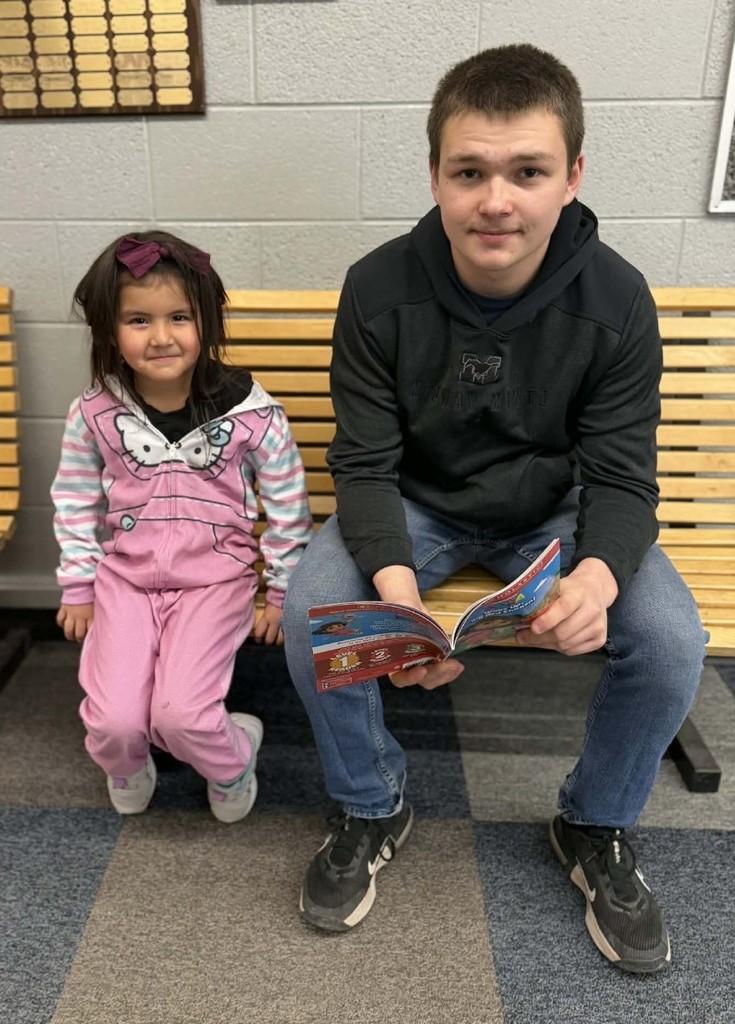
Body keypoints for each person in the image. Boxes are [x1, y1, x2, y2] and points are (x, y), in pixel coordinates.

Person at [282, 44, 707, 973]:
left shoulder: (618, 299)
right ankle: (368, 803)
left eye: (527, 171)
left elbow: (625, 477)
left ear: (573, 176)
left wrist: (596, 574)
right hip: (417, 509)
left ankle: (592, 824)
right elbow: (363, 462)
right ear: (434, 172)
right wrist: (393, 595)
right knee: (311, 613)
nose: (495, 200)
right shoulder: (376, 287)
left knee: (673, 640)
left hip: (552, 516)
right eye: (468, 171)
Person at [51, 230, 312, 823]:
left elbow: (288, 503)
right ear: (109, 332)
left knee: (181, 716)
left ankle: (232, 756)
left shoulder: (251, 411)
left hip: (215, 583)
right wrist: (79, 584)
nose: (162, 336)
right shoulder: (93, 411)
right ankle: (128, 762)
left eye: (179, 317)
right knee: (114, 720)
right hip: (125, 583)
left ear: (205, 322)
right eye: (139, 320)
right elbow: (72, 499)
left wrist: (281, 589)